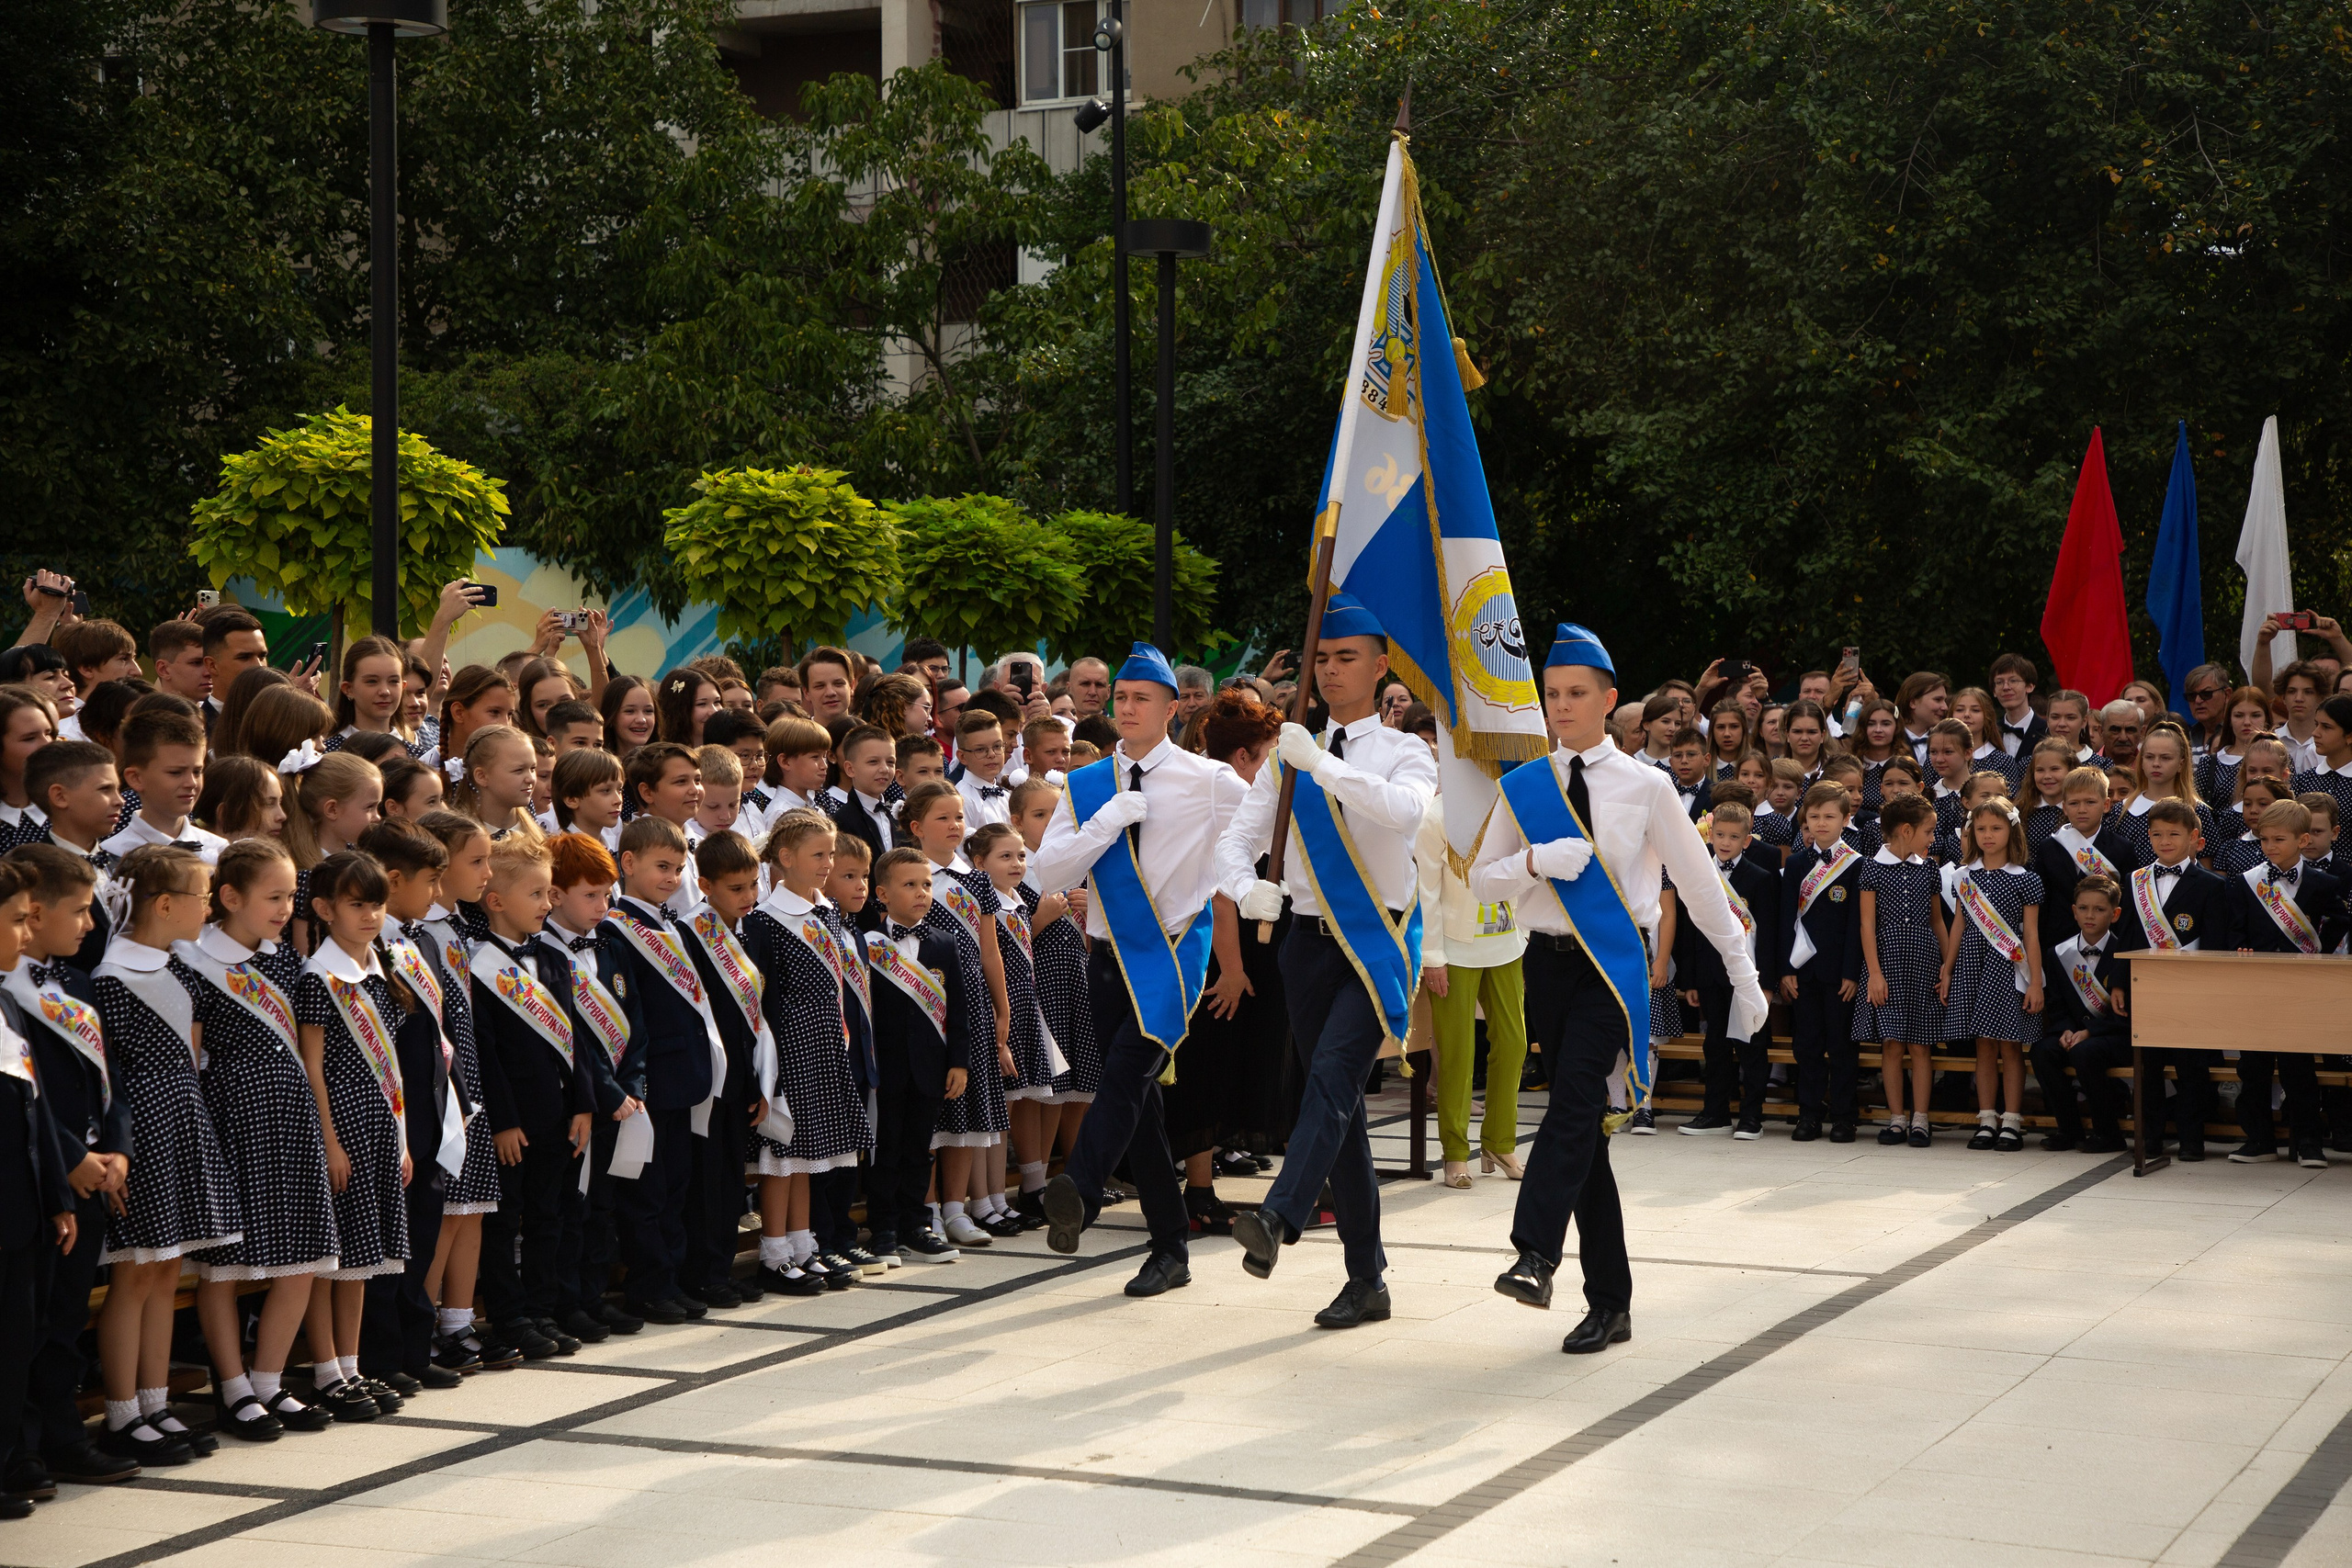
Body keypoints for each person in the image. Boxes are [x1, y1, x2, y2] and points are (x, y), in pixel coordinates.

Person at [1471, 624, 1766, 1355]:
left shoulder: (1646, 784)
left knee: (1574, 1101)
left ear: (1610, 700)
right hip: (1543, 963)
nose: (1561, 706)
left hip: (1612, 963)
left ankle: (1534, 1252)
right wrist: (1537, 860)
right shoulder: (1526, 785)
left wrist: (1742, 969)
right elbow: (1479, 876)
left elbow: (1700, 887)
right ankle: (1612, 1301)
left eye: (1576, 693)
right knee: (1585, 1142)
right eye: (1551, 694)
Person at [1213, 597, 1434, 1326]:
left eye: (1347, 657)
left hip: (1374, 940)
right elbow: (1236, 842)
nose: (1332, 669)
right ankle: (1368, 1278)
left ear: (1379, 667)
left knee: (1335, 1078)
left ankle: (1278, 1214)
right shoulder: (1289, 754)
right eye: (1324, 657)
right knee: (1339, 1109)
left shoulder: (1404, 750)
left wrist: (1322, 768)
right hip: (1305, 943)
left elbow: (1405, 813)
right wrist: (1249, 891)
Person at [1033, 644, 1246, 1298]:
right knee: (1142, 1105)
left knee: (1126, 1074)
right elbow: (1050, 872)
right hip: (1104, 957)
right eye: (1120, 697)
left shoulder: (1209, 780)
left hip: (1175, 954)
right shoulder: (1086, 783)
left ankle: (1084, 1188)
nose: (1126, 707)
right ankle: (1170, 1245)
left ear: (1171, 706)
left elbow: (1260, 833)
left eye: (1140, 698)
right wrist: (1106, 821)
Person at [179, 839, 337, 1438]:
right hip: (230, 1117)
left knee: (303, 1254)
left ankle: (269, 1379)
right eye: (273, 896)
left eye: (290, 896)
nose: (284, 907)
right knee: (223, 1265)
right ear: (228, 896)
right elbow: (192, 1055)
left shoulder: (286, 961)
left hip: (291, 1114)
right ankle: (234, 1387)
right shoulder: (193, 961)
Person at [90, 845, 238, 1463]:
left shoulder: (177, 971)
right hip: (140, 1133)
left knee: (165, 1267)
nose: (208, 905)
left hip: (180, 1119)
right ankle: (123, 1412)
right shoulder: (111, 979)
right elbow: (105, 1075)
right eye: (202, 894)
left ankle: (155, 1402)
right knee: (135, 1270)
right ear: (165, 903)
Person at [5, 845, 140, 1483]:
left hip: (91, 1173)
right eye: (79, 910)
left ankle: (63, 1437)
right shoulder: (7, 992)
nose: (89, 925)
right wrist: (75, 1159)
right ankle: (24, 1446)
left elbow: (108, 1079)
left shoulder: (76, 983)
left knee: (65, 1321)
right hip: (45, 1176)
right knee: (27, 1326)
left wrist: (116, 1149)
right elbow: (24, 1102)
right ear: (34, 911)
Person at [292, 852, 413, 1422]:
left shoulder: (379, 970)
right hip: (340, 1124)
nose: (369, 916)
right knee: (331, 1257)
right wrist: (329, 1140)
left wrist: (405, 1139)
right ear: (324, 908)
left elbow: (393, 1066)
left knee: (363, 1256)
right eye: (356, 904)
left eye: (376, 904)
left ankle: (351, 1363)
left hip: (380, 1123)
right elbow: (312, 1066)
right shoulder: (319, 976)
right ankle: (325, 1371)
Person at [354, 820, 467, 1393]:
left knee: (420, 1237)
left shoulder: (417, 939)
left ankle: (414, 1348)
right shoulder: (365, 943)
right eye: (431, 880)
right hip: (386, 1121)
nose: (438, 891)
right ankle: (380, 1357)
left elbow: (439, 1034)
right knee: (387, 1246)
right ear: (394, 879)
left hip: (429, 1111)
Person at [601, 816, 727, 1325]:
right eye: (661, 867)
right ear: (627, 863)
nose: (672, 877)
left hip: (684, 1079)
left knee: (675, 1186)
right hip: (651, 1081)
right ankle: (649, 1285)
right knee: (648, 1192)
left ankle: (670, 1279)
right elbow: (627, 1013)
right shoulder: (616, 930)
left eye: (678, 868)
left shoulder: (668, 925)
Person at [744, 811, 867, 1295]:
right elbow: (763, 996)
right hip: (788, 1046)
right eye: (819, 855)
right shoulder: (766, 921)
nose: (828, 863)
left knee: (810, 1153)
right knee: (785, 1154)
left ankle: (801, 1245)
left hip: (823, 1040)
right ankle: (773, 1253)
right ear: (786, 857)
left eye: (831, 854)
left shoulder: (827, 912)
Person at [0, 858, 81, 1506]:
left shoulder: (5, 999)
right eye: (15, 921)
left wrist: (57, 1196)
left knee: (17, 1339)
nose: (25, 935)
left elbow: (36, 1110)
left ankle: (10, 1456)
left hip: (22, 1208)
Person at [2216, 800, 2345, 1168]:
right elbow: (2234, 928)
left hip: (2300, 988)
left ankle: (2308, 1141)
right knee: (2252, 1067)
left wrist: (2318, 949)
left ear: (2303, 839)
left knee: (2298, 1067)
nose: (2269, 847)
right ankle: (2258, 1139)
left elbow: (2339, 920)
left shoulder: (2324, 882)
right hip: (2255, 986)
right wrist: (2238, 948)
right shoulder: (2246, 882)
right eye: (2264, 840)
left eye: (2279, 839)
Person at [2109, 799, 2223, 1158]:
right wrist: (2118, 981)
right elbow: (2125, 935)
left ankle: (2192, 1140)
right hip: (2146, 989)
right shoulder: (2136, 881)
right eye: (2157, 834)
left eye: (2174, 834)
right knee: (2148, 1068)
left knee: (2191, 1069)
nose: (2165, 841)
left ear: (2193, 837)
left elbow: (2217, 945)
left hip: (2192, 991)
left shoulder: (2212, 885)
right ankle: (2150, 1138)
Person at [1938, 800, 2044, 1152]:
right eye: (1980, 829)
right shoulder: (1963, 877)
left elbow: (2030, 934)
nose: (1987, 835)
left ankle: (2011, 1120)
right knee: (1983, 1045)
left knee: (2010, 1047)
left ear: (2011, 831)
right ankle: (1986, 1118)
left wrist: (2036, 981)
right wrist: (1948, 968)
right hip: (1972, 965)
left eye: (1996, 828)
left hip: (2008, 968)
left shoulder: (2026, 879)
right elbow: (1959, 924)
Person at [1851, 794, 1946, 1147]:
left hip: (1924, 962)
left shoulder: (1930, 868)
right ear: (1907, 830)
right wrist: (1874, 974)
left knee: (1921, 1045)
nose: (1932, 838)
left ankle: (1920, 1118)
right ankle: (1896, 1118)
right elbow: (1866, 925)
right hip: (1887, 963)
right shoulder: (1872, 867)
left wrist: (1947, 968)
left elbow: (1938, 922)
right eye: (1929, 831)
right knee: (1891, 1044)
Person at [1778, 782, 1865, 1141]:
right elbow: (1786, 919)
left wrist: (1851, 972)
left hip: (1838, 972)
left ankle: (1844, 1117)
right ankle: (1809, 1114)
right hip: (1803, 971)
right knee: (1807, 1045)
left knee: (1842, 1047)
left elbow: (1858, 923)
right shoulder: (1796, 863)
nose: (1821, 823)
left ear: (1847, 818)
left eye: (1829, 816)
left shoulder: (1858, 865)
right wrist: (1786, 968)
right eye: (1814, 816)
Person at [2031, 874, 2133, 1153]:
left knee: (2085, 1052)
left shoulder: (2125, 955)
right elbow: (2056, 1003)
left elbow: (2129, 1012)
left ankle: (2108, 1133)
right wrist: (2064, 1029)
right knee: (2043, 1051)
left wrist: (2090, 1032)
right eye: (2084, 908)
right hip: (2074, 1031)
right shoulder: (2058, 953)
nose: (2090, 916)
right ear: (2074, 911)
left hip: (2115, 1035)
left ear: (2115, 915)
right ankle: (2069, 1129)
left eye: (2099, 910)